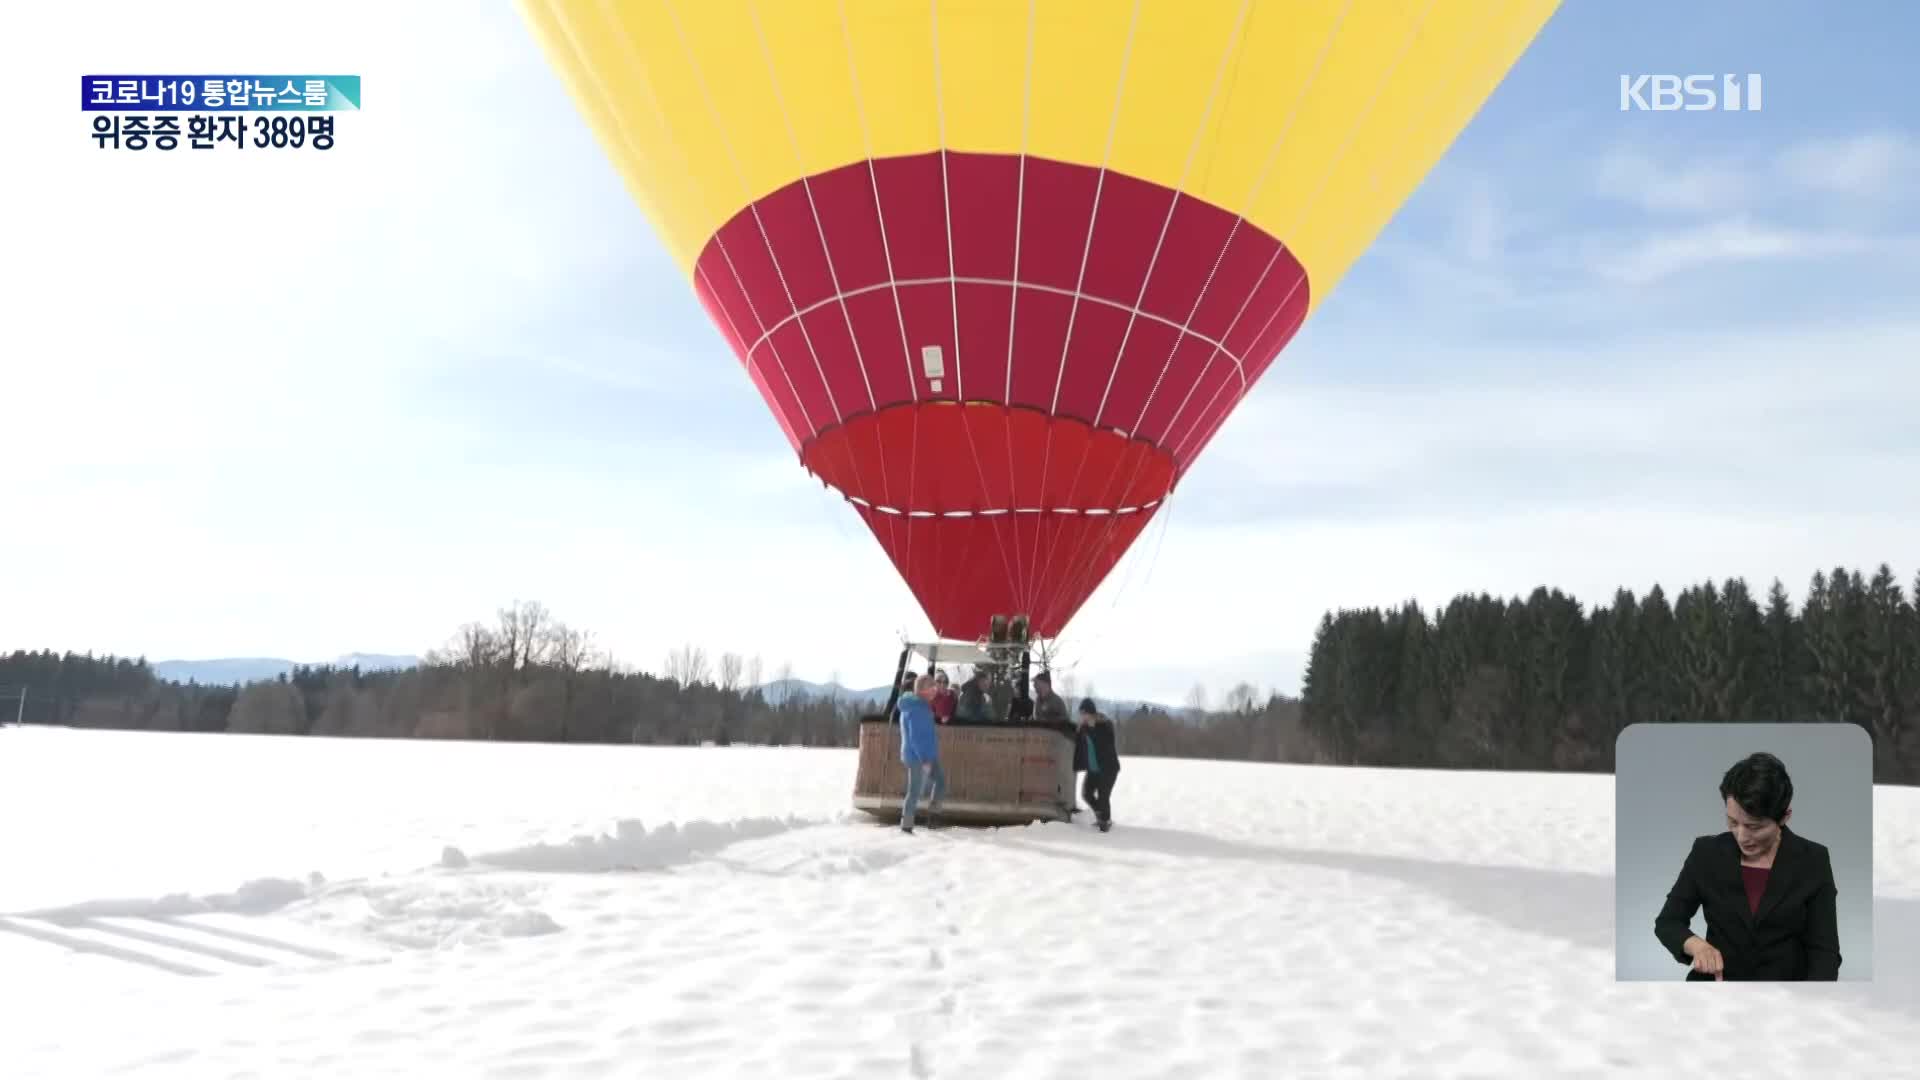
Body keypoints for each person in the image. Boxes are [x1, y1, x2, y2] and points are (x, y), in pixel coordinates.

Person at [1653, 751, 1842, 981]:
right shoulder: (1706, 853)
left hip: (1786, 999)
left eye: (1754, 827)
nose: (1741, 836)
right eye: (1733, 822)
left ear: (1784, 817)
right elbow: (1668, 922)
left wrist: (1811, 1006)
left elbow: (1824, 953)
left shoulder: (1814, 860)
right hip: (1715, 992)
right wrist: (1696, 946)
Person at [897, 673, 946, 833]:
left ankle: (933, 816)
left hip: (926, 754)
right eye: (931, 687)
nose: (935, 689)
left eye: (935, 686)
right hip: (918, 757)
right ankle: (907, 825)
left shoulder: (921, 706)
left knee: (940, 781)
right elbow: (916, 737)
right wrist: (925, 759)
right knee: (915, 791)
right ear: (922, 690)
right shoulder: (917, 708)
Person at [1076, 698, 1121, 832]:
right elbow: (1078, 742)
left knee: (1103, 796)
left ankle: (1105, 822)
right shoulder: (1084, 727)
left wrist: (1092, 727)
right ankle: (1101, 815)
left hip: (1108, 768)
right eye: (1081, 714)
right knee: (1086, 794)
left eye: (1084, 713)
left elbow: (1105, 744)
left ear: (1091, 713)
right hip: (1093, 769)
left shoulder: (1105, 725)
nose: (1082, 716)